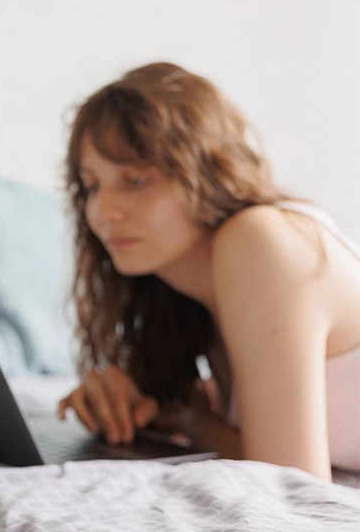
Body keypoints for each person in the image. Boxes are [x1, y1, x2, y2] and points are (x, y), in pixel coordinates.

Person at [55, 62, 360, 482]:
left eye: (137, 181)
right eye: (92, 185)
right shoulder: (191, 300)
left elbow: (290, 487)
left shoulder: (260, 239)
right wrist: (151, 402)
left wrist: (193, 419)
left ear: (206, 173)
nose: (104, 212)